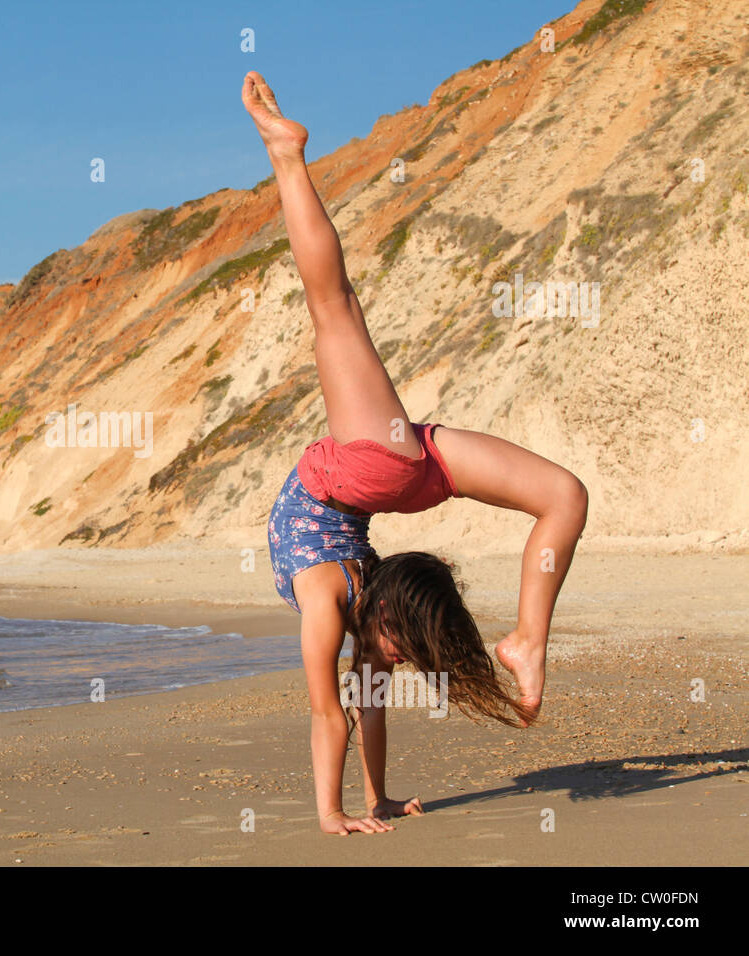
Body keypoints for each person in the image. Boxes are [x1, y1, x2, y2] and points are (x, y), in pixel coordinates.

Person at [242, 71, 589, 836]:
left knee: (563, 495)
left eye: (402, 654)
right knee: (332, 308)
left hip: (392, 475)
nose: (397, 664)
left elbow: (345, 711)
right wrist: (340, 811)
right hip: (372, 469)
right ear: (388, 610)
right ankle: (287, 159)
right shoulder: (336, 602)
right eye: (407, 652)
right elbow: (333, 711)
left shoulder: (339, 605)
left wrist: (357, 807)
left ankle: (529, 641)